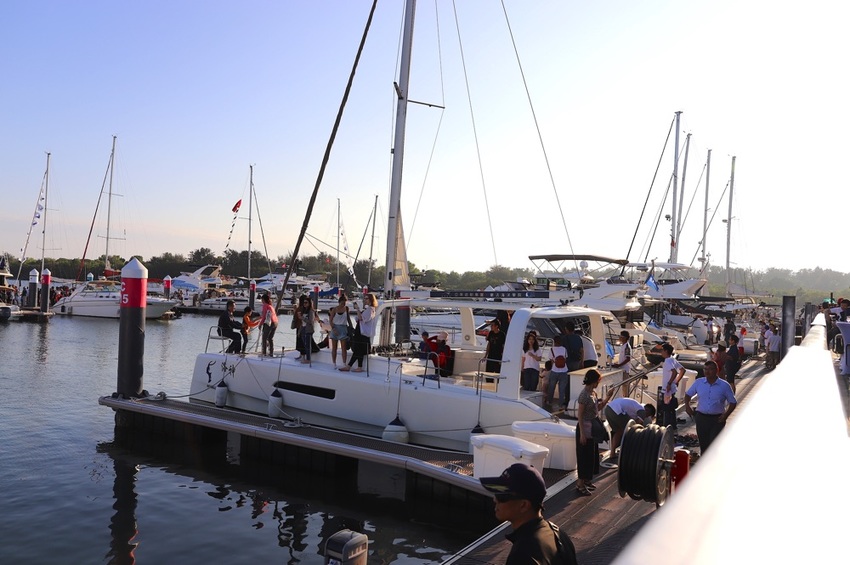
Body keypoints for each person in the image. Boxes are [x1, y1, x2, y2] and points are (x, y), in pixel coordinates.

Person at [478, 464, 578, 565]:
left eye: (502, 497)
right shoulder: (559, 534)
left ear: (524, 505)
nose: (495, 499)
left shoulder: (521, 556)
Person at [684, 360, 738, 453]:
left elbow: (733, 402)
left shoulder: (724, 385)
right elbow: (688, 394)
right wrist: (687, 406)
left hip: (717, 420)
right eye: (705, 369)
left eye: (710, 369)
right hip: (701, 418)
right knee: (703, 444)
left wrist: (725, 415)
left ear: (716, 370)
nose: (707, 372)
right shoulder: (699, 382)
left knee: (714, 445)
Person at [575, 369, 613, 495]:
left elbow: (597, 408)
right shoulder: (584, 395)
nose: (598, 383)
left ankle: (586, 480)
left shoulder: (593, 393)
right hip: (585, 428)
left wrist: (607, 397)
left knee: (591, 455)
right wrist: (582, 433)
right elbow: (580, 415)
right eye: (598, 381)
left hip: (592, 428)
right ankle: (580, 484)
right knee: (584, 456)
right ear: (594, 381)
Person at [341, 293, 377, 373]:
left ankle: (350, 366)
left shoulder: (370, 310)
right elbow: (359, 318)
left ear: (371, 300)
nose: (365, 300)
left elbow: (361, 318)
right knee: (358, 350)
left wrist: (357, 309)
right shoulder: (368, 310)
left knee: (358, 349)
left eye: (367, 298)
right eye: (365, 298)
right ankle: (355, 366)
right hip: (360, 331)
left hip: (362, 333)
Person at [659, 342, 685, 429]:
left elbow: (674, 372)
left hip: (667, 389)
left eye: (662, 350)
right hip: (672, 388)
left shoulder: (667, 361)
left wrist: (669, 383)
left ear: (666, 351)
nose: (661, 352)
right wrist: (676, 381)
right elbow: (682, 370)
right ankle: (673, 425)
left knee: (666, 409)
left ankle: (667, 427)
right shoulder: (672, 359)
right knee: (671, 409)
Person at [547, 335, 570, 412]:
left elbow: (551, 360)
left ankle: (549, 401)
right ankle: (560, 405)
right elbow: (565, 359)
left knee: (551, 387)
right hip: (564, 370)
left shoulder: (552, 349)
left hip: (554, 370)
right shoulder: (564, 349)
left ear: (554, 341)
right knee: (562, 389)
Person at [294, 295, 319, 364]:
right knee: (304, 344)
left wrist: (302, 317)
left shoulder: (311, 311)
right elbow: (302, 322)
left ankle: (308, 359)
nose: (304, 304)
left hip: (308, 329)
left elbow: (310, 321)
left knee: (308, 345)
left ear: (309, 303)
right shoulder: (304, 310)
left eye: (306, 303)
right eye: (304, 302)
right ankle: (305, 357)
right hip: (303, 328)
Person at [328, 294, 350, 367]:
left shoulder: (347, 309)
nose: (343, 304)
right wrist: (333, 329)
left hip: (343, 328)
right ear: (339, 302)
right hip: (335, 328)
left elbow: (348, 319)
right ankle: (334, 363)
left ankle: (344, 363)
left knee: (344, 348)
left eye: (345, 303)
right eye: (342, 303)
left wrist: (351, 328)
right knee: (334, 348)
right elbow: (330, 320)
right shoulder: (335, 309)